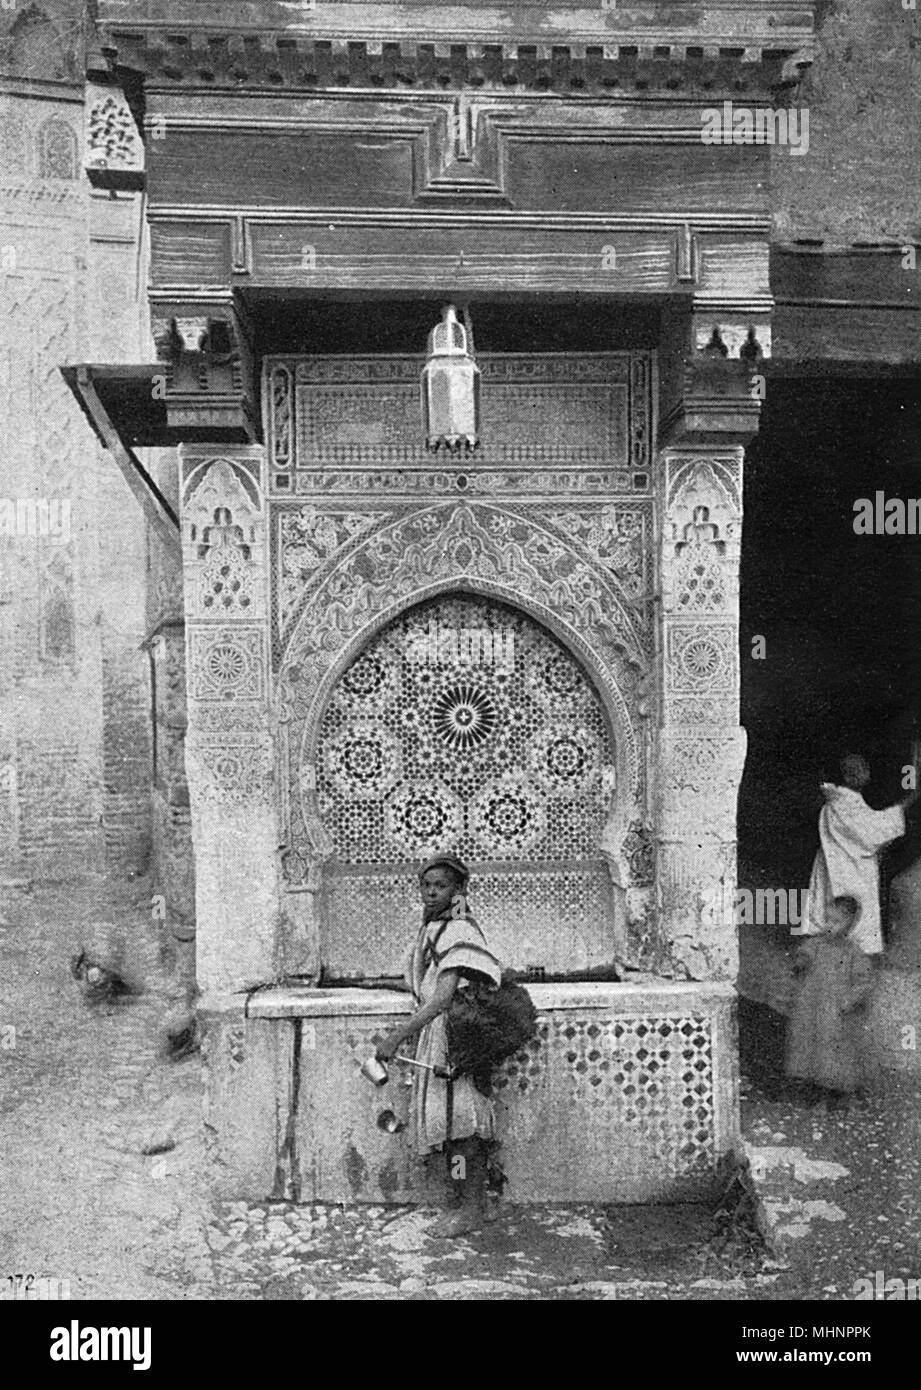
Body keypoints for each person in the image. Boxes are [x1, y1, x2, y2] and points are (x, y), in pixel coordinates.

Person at [375, 853, 502, 1236]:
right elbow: (427, 982)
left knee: (459, 1129)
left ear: (458, 890)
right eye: (426, 885)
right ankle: (466, 1202)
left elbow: (442, 999)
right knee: (449, 1129)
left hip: (453, 1038)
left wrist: (395, 1037)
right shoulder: (438, 927)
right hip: (440, 1036)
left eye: (441, 886)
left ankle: (471, 1208)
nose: (431, 892)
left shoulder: (458, 931)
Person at [785, 747, 920, 1104]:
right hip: (846, 883)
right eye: (851, 768)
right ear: (842, 774)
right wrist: (908, 802)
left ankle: (837, 1078)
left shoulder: (848, 802)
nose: (859, 772)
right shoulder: (841, 803)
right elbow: (872, 832)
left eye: (862, 766)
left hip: (849, 882)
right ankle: (831, 1080)